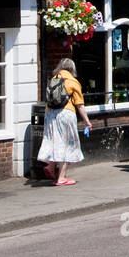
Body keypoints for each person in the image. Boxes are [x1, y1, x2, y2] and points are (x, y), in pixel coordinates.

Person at [37, 58, 91, 186]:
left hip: (50, 114)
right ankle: (61, 178)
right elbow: (80, 105)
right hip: (65, 114)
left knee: (53, 140)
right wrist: (87, 121)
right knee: (66, 143)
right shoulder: (73, 81)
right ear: (72, 69)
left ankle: (50, 166)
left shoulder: (54, 79)